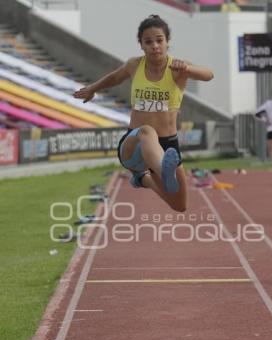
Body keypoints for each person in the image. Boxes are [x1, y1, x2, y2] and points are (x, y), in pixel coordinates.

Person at [73, 15, 214, 212]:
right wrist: (92, 88)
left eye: (159, 40)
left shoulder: (177, 68)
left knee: (179, 206)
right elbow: (115, 77)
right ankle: (163, 168)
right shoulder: (134, 65)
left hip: (167, 145)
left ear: (167, 42)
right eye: (148, 42)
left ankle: (145, 179)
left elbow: (209, 75)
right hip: (134, 144)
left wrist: (187, 68)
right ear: (141, 45)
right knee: (147, 131)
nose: (154, 45)